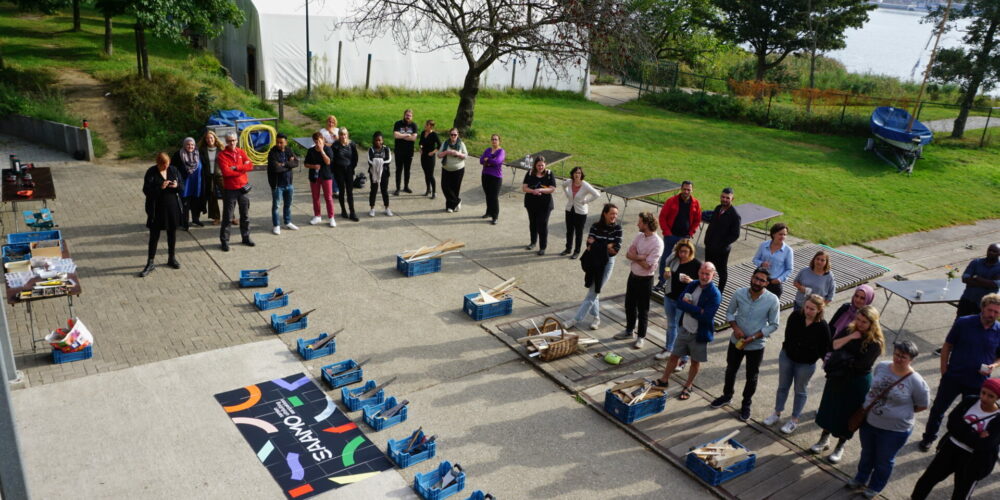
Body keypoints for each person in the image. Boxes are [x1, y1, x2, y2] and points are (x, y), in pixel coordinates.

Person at [918, 293, 1000, 451]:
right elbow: (947, 345)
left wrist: (994, 366)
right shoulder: (964, 323)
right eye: (990, 310)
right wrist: (944, 369)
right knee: (938, 410)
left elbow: (999, 357)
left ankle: (952, 441)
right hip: (954, 377)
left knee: (966, 415)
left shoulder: (999, 331)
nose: (993, 315)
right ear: (983, 308)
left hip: (978, 383)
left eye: (997, 312)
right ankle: (929, 437)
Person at [848, 340, 929, 499]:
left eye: (903, 357)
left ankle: (875, 486)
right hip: (870, 422)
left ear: (911, 359)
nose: (898, 359)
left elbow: (922, 405)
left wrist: (898, 411)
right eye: (896, 354)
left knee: (883, 461)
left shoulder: (917, 382)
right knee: (867, 453)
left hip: (895, 430)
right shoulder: (882, 366)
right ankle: (860, 478)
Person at [810, 305, 884, 464]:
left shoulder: (876, 342)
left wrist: (842, 357)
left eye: (864, 322)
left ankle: (840, 446)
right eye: (858, 319)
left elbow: (861, 365)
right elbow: (832, 345)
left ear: (872, 323)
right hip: (837, 377)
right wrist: (851, 338)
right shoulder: (850, 330)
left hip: (856, 382)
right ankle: (824, 439)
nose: (860, 323)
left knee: (848, 415)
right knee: (830, 409)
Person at [910, 378, 1000, 500]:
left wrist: (962, 429)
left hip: (972, 460)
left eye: (990, 396)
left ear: (997, 398)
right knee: (927, 480)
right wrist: (976, 435)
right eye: (983, 392)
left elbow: (985, 444)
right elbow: (951, 424)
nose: (984, 398)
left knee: (961, 494)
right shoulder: (970, 401)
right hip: (950, 449)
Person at [712, 268, 781, 422]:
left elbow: (774, 324)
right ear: (751, 277)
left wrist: (755, 336)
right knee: (731, 370)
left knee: (752, 376)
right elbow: (729, 313)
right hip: (736, 342)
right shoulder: (739, 293)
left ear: (767, 283)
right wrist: (735, 328)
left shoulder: (772, 300)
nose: (757, 282)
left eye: (762, 280)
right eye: (756, 278)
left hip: (756, 345)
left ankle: (746, 404)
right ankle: (727, 396)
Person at [763, 294, 832, 434]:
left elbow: (825, 348)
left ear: (819, 310)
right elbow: (789, 336)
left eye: (812, 309)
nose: (808, 311)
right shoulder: (795, 316)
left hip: (806, 364)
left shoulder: (823, 326)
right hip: (788, 357)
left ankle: (794, 420)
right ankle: (776, 413)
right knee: (783, 386)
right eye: (806, 307)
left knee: (800, 391)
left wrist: (825, 362)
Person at [654, 262, 722, 401]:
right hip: (684, 329)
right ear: (698, 273)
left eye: (707, 274)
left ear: (713, 275)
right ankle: (664, 379)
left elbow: (707, 316)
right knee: (674, 356)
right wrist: (697, 309)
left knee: (695, 362)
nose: (704, 276)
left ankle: (688, 385)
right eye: (702, 273)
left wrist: (689, 307)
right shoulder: (692, 284)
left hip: (699, 334)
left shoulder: (715, 294)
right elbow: (680, 303)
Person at [565, 204, 622, 331]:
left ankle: (576, 319)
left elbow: (615, 250)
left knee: (593, 291)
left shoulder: (618, 228)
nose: (614, 216)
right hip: (594, 262)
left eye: (616, 214)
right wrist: (607, 245)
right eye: (612, 213)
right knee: (594, 289)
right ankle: (596, 317)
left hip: (608, 263)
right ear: (605, 214)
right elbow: (588, 245)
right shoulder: (595, 226)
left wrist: (598, 244)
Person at [616, 212, 664, 349]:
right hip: (633, 276)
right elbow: (628, 254)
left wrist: (636, 257)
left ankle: (641, 337)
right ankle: (629, 330)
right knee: (629, 305)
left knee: (643, 310)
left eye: (640, 222)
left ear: (647, 224)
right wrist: (642, 257)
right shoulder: (639, 236)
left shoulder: (658, 243)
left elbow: (649, 266)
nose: (637, 224)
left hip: (645, 280)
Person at [653, 239, 702, 363]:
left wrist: (690, 281)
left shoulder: (696, 264)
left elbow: (701, 284)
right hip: (670, 296)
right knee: (671, 325)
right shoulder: (673, 260)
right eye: (680, 251)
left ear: (691, 251)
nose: (682, 254)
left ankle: (684, 357)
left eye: (685, 252)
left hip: (684, 301)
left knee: (682, 328)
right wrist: (666, 276)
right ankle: (668, 348)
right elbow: (666, 274)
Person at [140, 152, 182, 276]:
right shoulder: (151, 172)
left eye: (168, 164)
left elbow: (182, 186)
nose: (166, 167)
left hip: (172, 208)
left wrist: (177, 185)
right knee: (154, 236)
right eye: (164, 165)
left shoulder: (173, 170)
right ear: (158, 163)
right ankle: (150, 262)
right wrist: (160, 188)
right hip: (156, 209)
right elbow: (146, 190)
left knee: (172, 233)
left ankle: (171, 258)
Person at [654, 181, 700, 293]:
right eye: (684, 189)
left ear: (692, 190)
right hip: (671, 236)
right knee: (666, 260)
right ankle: (662, 280)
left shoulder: (695, 203)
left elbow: (697, 220)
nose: (686, 191)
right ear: (681, 189)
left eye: (688, 189)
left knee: (683, 261)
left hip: (684, 238)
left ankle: (676, 281)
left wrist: (690, 233)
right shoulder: (671, 201)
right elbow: (663, 217)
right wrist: (667, 232)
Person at [217, 132, 254, 251]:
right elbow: (226, 173)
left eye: (233, 140)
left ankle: (246, 237)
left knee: (245, 215)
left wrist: (236, 168)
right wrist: (242, 169)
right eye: (229, 141)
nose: (232, 143)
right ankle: (224, 241)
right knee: (227, 217)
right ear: (226, 142)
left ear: (236, 140)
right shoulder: (222, 155)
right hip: (230, 190)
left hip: (243, 189)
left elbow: (250, 166)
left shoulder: (241, 152)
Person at [702, 187, 741, 293]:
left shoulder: (735, 216)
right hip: (710, 246)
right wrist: (707, 240)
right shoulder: (718, 208)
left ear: (732, 199)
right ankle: (706, 286)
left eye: (727, 198)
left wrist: (721, 244)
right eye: (723, 197)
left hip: (721, 250)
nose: (724, 199)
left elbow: (735, 235)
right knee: (707, 269)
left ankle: (720, 291)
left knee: (721, 272)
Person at [561, 166, 601, 259]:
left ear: (581, 175)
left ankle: (577, 251)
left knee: (579, 232)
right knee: (569, 231)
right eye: (575, 173)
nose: (577, 174)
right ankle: (568, 249)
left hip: (581, 212)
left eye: (579, 173)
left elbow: (597, 194)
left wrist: (586, 201)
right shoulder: (569, 182)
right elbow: (563, 185)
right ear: (572, 174)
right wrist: (567, 193)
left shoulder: (585, 185)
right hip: (569, 209)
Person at [522, 156, 556, 255]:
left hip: (545, 205)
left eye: (542, 165)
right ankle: (533, 242)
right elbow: (524, 188)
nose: (540, 167)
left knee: (542, 224)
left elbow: (552, 188)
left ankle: (542, 247)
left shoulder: (549, 174)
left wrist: (541, 190)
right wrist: (533, 191)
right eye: (538, 165)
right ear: (535, 165)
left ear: (545, 164)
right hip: (531, 203)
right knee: (533, 223)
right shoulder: (529, 173)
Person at [266, 133, 299, 235]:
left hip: (289, 184)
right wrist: (288, 164)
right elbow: (275, 168)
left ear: (286, 142)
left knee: (288, 204)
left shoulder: (289, 150)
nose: (279, 144)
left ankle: (287, 222)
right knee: (276, 206)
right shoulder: (272, 153)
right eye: (277, 142)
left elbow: (296, 163)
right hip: (277, 185)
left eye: (281, 142)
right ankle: (276, 225)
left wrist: (283, 164)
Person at [752, 223, 793, 298]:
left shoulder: (788, 250)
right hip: (760, 281)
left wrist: (780, 279)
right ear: (774, 234)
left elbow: (789, 269)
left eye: (785, 234)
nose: (783, 237)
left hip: (774, 284)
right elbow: (755, 259)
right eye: (780, 234)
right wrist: (761, 264)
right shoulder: (763, 245)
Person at [303, 132, 336, 227]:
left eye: (320, 141)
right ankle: (317, 216)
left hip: (326, 176)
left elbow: (328, 161)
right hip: (314, 177)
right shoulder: (311, 151)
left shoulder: (328, 149)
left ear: (323, 140)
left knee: (328, 197)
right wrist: (313, 166)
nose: (318, 143)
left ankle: (331, 217)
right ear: (314, 141)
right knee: (315, 197)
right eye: (316, 141)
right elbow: (305, 164)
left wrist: (322, 151)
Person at [170, 137, 204, 230]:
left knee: (196, 202)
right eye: (188, 144)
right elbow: (172, 169)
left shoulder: (198, 153)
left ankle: (196, 219)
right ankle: (184, 222)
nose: (190, 146)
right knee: (185, 204)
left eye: (192, 144)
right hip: (185, 184)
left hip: (197, 184)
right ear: (184, 145)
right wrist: (175, 180)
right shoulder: (178, 154)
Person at [330, 127, 359, 221]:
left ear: (347, 135)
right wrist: (334, 171)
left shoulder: (352, 145)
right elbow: (332, 159)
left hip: (349, 170)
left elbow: (355, 158)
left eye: (345, 134)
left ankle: (352, 212)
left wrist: (352, 167)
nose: (343, 136)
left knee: (350, 192)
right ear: (339, 135)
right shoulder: (335, 145)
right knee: (341, 191)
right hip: (339, 171)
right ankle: (343, 210)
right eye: (341, 134)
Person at [438, 128, 467, 213]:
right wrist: (446, 152)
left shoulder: (461, 144)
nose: (453, 136)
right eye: (452, 134)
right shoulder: (445, 143)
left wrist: (458, 154)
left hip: (458, 169)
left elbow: (465, 156)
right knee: (445, 187)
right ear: (449, 135)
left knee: (455, 188)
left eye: (455, 135)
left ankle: (450, 207)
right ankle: (457, 201)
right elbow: (439, 155)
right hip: (446, 168)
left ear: (458, 135)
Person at [197, 130, 223, 225]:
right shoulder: (202, 151)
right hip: (208, 176)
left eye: (211, 138)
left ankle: (231, 216)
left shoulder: (221, 149)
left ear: (215, 138)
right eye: (207, 138)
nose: (209, 140)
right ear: (205, 140)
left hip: (220, 175)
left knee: (227, 196)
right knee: (212, 196)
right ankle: (216, 217)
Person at [479, 134, 504, 225]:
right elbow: (481, 161)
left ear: (499, 141)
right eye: (492, 139)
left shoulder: (501, 151)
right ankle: (488, 212)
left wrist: (487, 160)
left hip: (496, 177)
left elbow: (497, 161)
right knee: (488, 195)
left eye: (496, 139)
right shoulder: (488, 150)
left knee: (494, 197)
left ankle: (495, 216)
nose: (494, 141)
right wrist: (490, 160)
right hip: (485, 175)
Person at [393, 109, 418, 195]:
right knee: (398, 170)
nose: (408, 117)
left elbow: (414, 138)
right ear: (404, 115)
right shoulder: (398, 124)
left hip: (409, 152)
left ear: (412, 117)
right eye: (407, 115)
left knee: (407, 170)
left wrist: (401, 136)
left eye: (409, 115)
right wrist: (407, 135)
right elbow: (396, 135)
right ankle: (397, 188)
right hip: (399, 151)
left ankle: (406, 187)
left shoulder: (414, 125)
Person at [367, 131, 393, 217]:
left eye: (379, 140)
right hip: (373, 173)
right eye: (376, 140)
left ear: (382, 140)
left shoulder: (386, 149)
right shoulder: (371, 149)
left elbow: (389, 160)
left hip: (384, 173)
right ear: (373, 141)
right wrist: (379, 162)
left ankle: (387, 208)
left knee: (384, 190)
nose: (378, 142)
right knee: (373, 190)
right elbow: (370, 161)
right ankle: (372, 208)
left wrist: (378, 162)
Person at [318, 114, 340, 197]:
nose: (331, 124)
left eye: (333, 122)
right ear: (326, 122)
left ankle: (336, 189)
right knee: (330, 172)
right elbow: (322, 144)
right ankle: (334, 190)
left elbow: (340, 142)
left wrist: (333, 135)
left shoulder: (337, 130)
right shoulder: (322, 131)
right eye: (329, 121)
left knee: (337, 172)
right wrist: (332, 144)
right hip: (327, 154)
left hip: (337, 154)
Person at [418, 120, 440, 198]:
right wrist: (420, 147)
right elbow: (420, 142)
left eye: (427, 125)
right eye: (426, 124)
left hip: (430, 157)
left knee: (430, 175)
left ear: (431, 126)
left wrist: (433, 152)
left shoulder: (434, 135)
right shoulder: (423, 133)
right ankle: (428, 189)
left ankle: (434, 191)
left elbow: (439, 145)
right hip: (423, 156)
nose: (425, 126)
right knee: (426, 174)